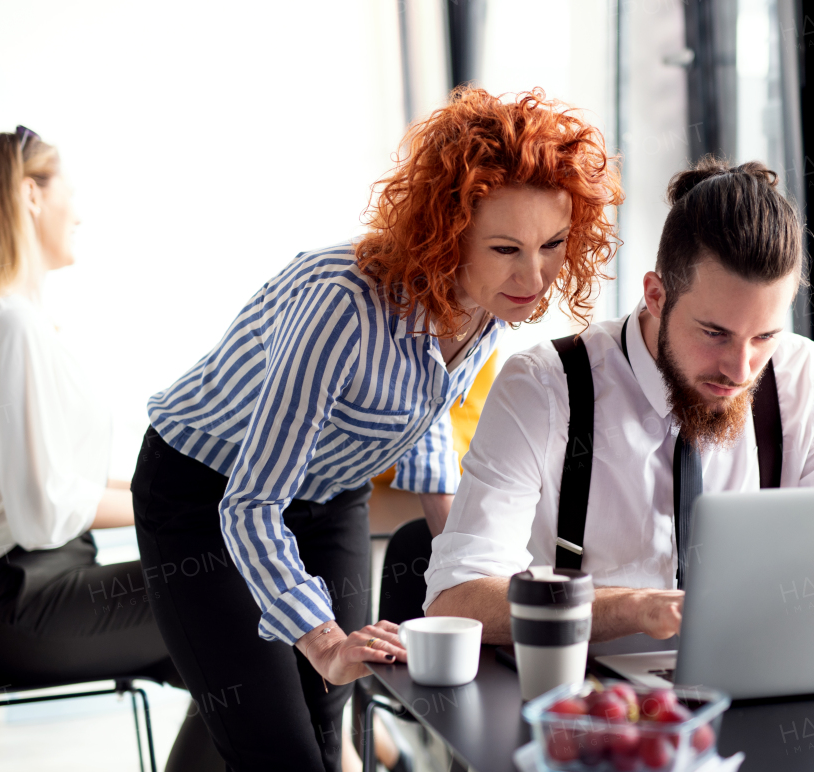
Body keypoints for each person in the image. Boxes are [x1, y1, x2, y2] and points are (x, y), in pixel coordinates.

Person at [131, 87, 622, 771]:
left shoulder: (485, 303)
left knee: (323, 731)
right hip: (205, 494)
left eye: (553, 245)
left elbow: (420, 406)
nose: (534, 276)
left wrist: (465, 555)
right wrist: (324, 637)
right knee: (278, 745)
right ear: (449, 234)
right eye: (507, 247)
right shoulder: (341, 310)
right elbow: (249, 505)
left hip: (329, 492)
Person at [424, 158, 814, 643]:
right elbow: (455, 600)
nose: (741, 369)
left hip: (758, 690)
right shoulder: (543, 388)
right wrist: (634, 608)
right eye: (715, 333)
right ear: (656, 295)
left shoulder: (801, 378)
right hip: (589, 701)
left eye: (766, 336)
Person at [0, 127, 223, 770]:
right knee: (237, 603)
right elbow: (45, 509)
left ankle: (349, 752)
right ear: (29, 195)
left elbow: (59, 483)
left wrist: (186, 496)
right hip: (15, 603)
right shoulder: (9, 327)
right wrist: (186, 513)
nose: (80, 210)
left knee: (242, 669)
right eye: (69, 188)